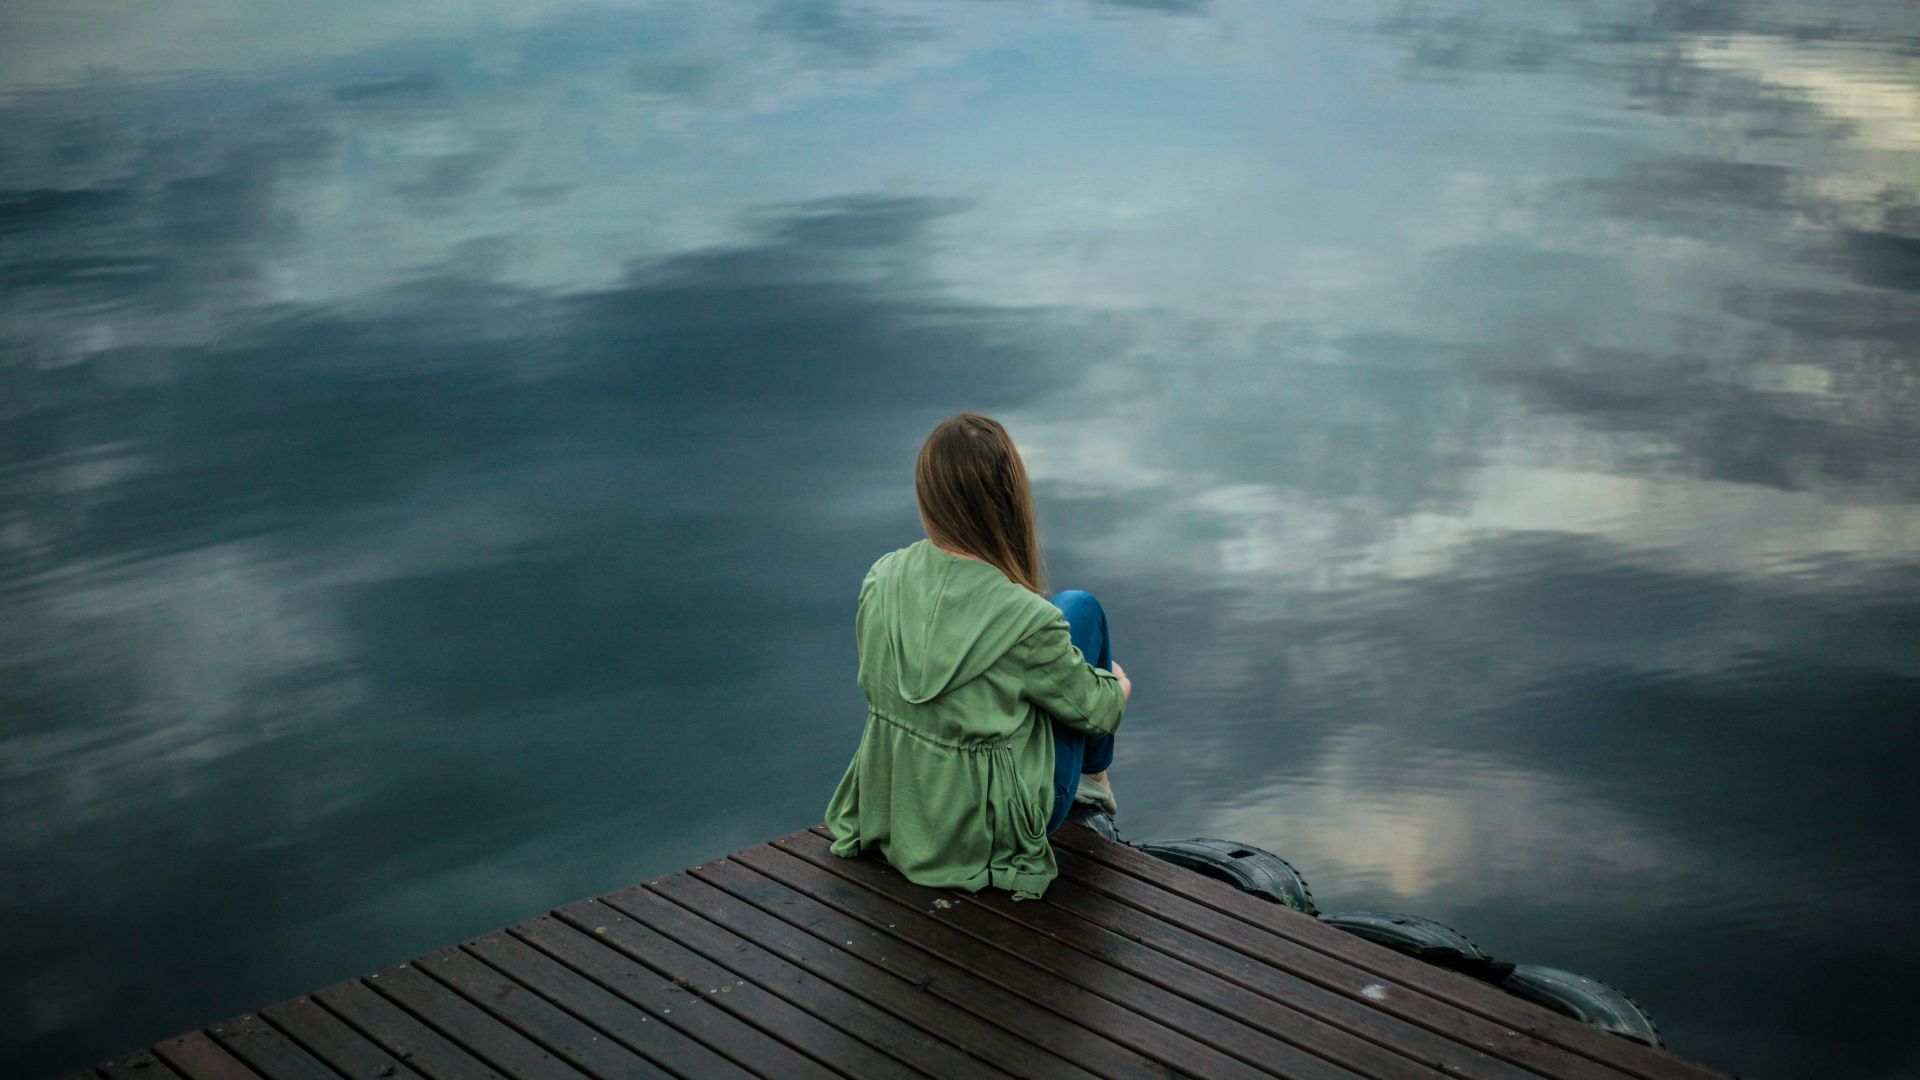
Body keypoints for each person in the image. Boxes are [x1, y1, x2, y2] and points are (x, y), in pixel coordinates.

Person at [823, 413, 1132, 900]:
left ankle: (1088, 782)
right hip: (987, 834)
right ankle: (1094, 785)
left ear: (928, 497)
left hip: (901, 810)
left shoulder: (881, 578)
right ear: (1008, 500)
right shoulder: (1028, 620)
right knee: (1080, 608)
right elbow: (1102, 712)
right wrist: (1116, 685)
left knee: (1062, 622)